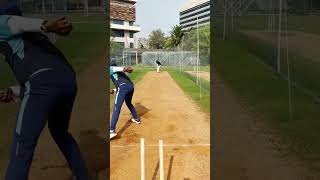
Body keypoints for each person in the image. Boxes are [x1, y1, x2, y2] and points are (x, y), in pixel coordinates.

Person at [0, 2, 90, 180]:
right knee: (59, 131)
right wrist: (13, 91)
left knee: (22, 148)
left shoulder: (5, 22)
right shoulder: (35, 38)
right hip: (67, 80)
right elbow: (50, 78)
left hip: (42, 83)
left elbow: (16, 23)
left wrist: (46, 25)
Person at [109, 59, 140, 139]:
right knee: (128, 103)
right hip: (130, 87)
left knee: (116, 108)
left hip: (124, 87)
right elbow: (123, 84)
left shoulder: (111, 68)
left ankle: (111, 130)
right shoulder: (120, 75)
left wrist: (126, 69)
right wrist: (114, 90)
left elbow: (119, 69)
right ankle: (136, 118)